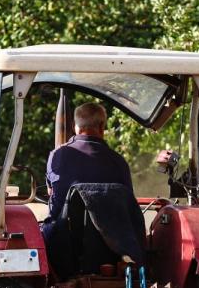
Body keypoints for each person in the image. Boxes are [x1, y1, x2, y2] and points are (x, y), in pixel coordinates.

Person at [42, 102, 134, 241]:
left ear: (75, 126)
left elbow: (51, 193)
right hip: (108, 248)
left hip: (61, 244)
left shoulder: (57, 156)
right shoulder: (119, 163)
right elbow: (128, 206)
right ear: (102, 126)